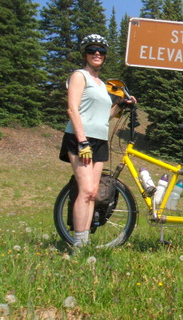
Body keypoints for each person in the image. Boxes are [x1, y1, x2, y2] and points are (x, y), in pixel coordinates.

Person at [59, 34, 135, 248]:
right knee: (86, 191)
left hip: (100, 140)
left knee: (93, 193)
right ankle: (79, 246)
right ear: (85, 54)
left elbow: (106, 116)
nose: (97, 53)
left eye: (101, 51)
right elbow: (72, 109)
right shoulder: (79, 76)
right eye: (92, 50)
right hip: (80, 138)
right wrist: (82, 141)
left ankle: (83, 241)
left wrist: (121, 104)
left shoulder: (102, 84)